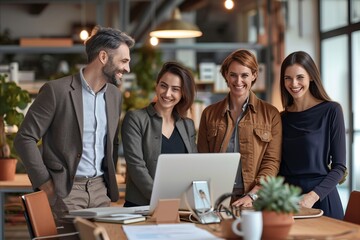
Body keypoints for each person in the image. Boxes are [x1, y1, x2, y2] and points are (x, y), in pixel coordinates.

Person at [14, 26, 135, 223]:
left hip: (100, 192)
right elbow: (24, 138)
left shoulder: (114, 95)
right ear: (103, 57)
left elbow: (112, 142)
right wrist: (45, 184)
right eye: (124, 61)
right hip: (66, 192)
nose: (127, 69)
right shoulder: (56, 91)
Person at [197, 49, 282, 207]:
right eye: (233, 75)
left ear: (254, 76)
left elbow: (271, 162)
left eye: (244, 75)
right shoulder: (209, 114)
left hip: (254, 199)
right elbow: (202, 159)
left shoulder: (271, 114)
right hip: (217, 198)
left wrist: (252, 196)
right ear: (226, 77)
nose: (238, 81)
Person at [278, 51, 347, 219]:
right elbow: (278, 166)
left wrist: (312, 196)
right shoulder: (281, 118)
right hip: (289, 202)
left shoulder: (332, 110)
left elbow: (339, 167)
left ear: (311, 77)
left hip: (322, 199)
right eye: (288, 78)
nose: (293, 83)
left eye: (299, 77)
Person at [121, 61, 197, 207]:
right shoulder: (135, 118)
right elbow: (136, 166)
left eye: (175, 89)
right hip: (142, 207)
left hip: (180, 206)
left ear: (183, 93)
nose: (167, 94)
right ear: (156, 85)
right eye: (163, 86)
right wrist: (161, 200)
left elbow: (192, 166)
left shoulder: (187, 125)